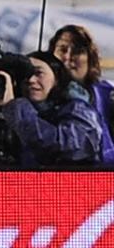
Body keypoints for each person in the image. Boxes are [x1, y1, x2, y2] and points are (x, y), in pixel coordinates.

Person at [0, 52, 104, 166]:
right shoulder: (16, 112)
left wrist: (14, 107)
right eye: (25, 75)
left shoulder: (79, 110)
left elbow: (70, 147)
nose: (31, 80)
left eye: (38, 73)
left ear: (57, 78)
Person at [48, 25, 114, 163]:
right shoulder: (40, 94)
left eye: (78, 51)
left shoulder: (107, 92)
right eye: (62, 50)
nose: (68, 57)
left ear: (90, 58)